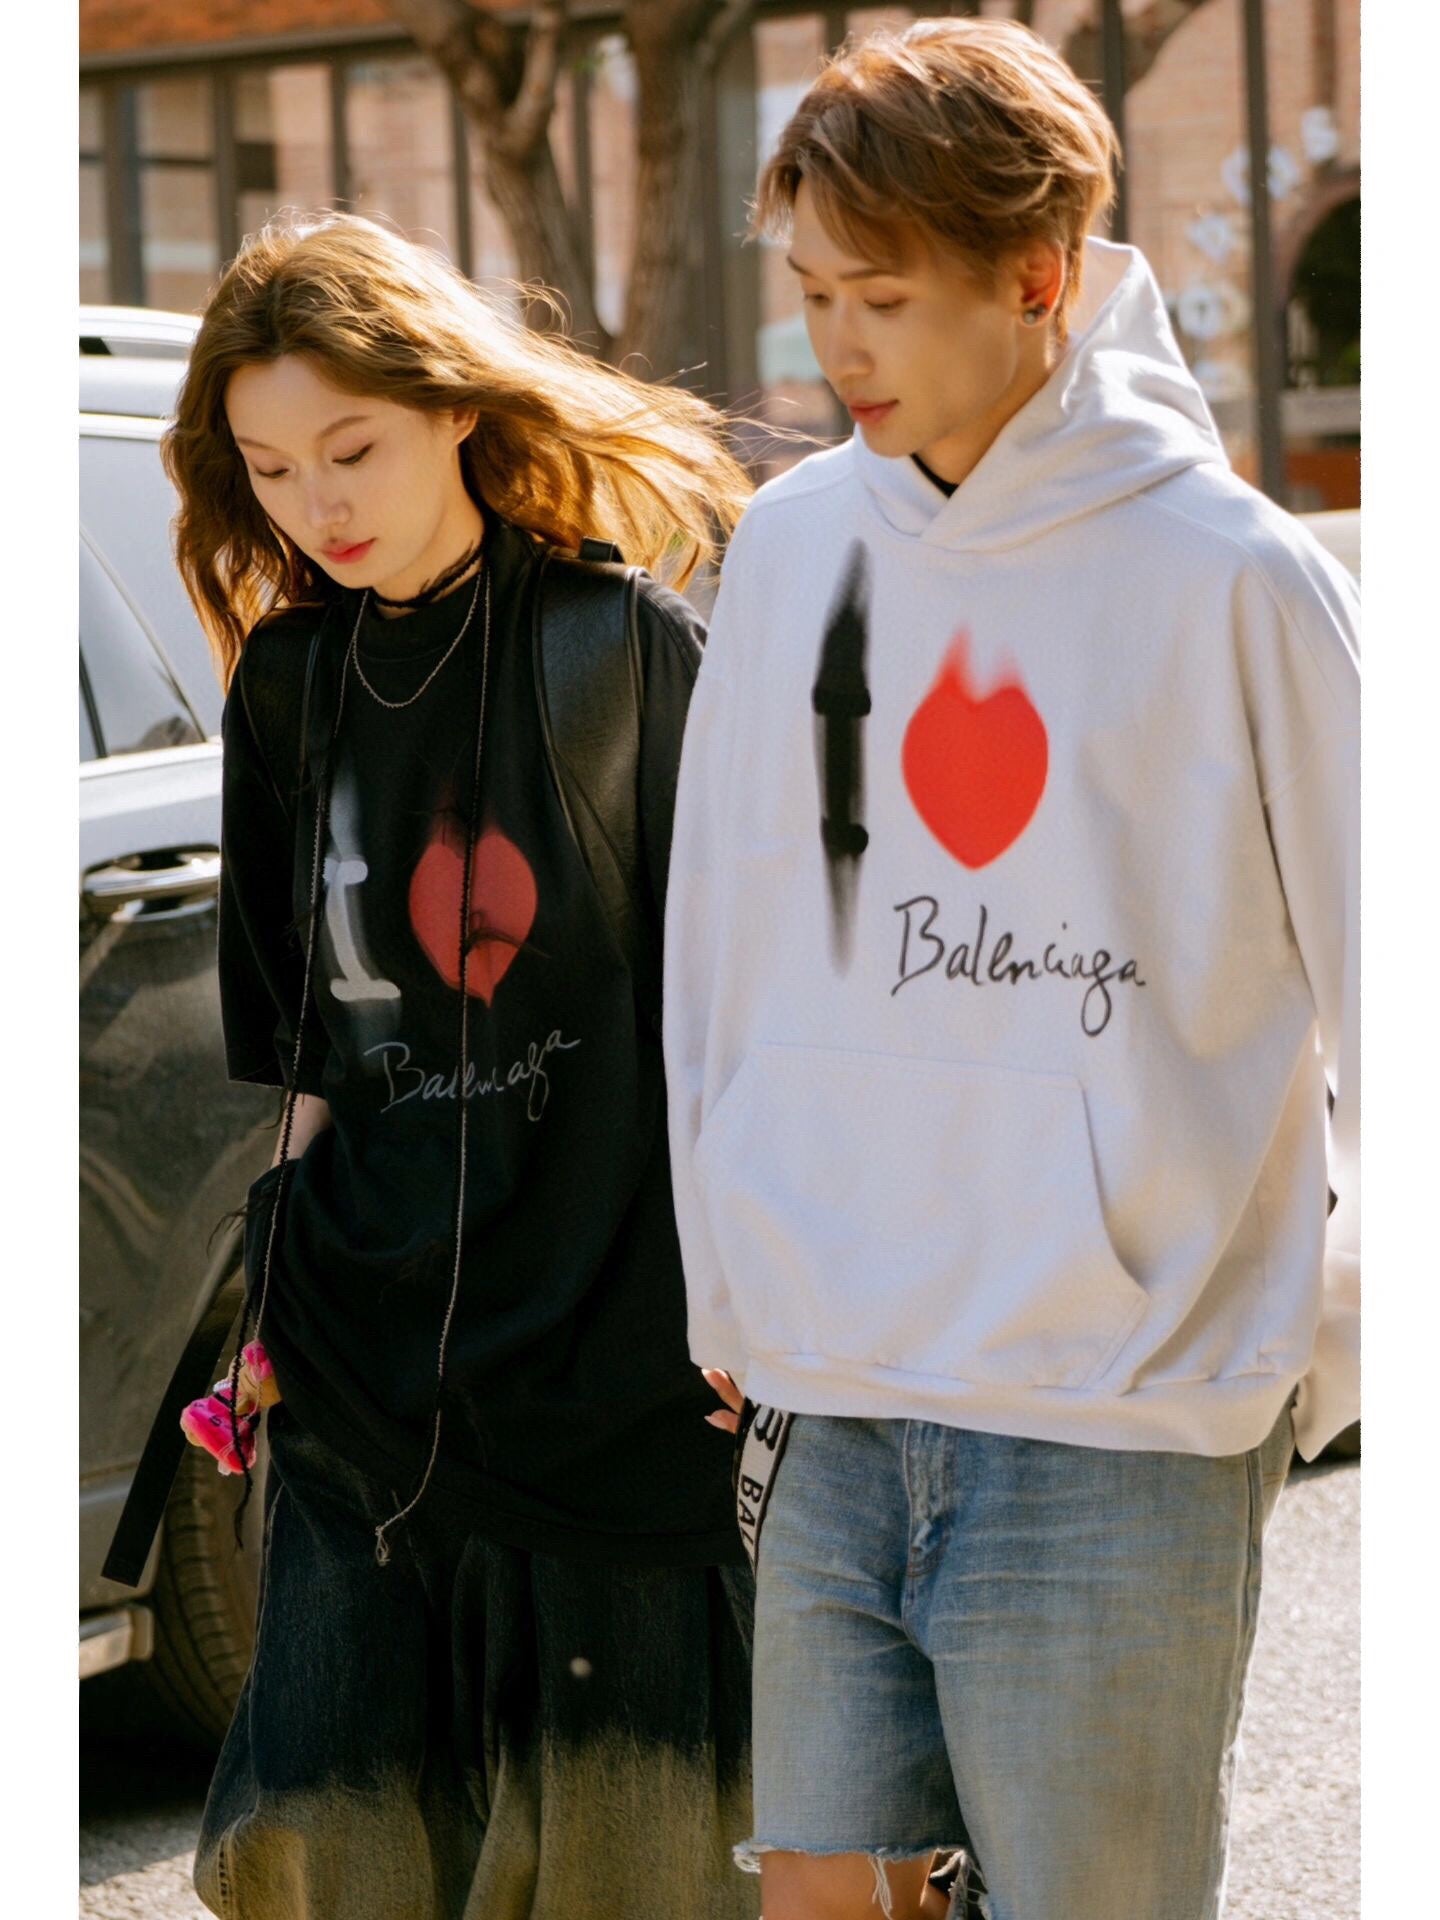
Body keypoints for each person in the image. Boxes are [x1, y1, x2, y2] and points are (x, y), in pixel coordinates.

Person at [664, 19, 1358, 1920]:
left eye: (883, 298)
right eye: (814, 294)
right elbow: (722, 937)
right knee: (825, 1901)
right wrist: (731, 1269)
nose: (839, 345)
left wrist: (1323, 1349)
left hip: (1116, 1420)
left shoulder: (1236, 577)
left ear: (1041, 276)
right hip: (833, 1386)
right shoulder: (791, 548)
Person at [162, 208, 760, 1920]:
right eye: (272, 471)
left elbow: (732, 1015)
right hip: (364, 1360)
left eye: (351, 449)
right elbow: (310, 1053)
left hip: (614, 1348)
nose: (317, 504)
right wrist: (272, 1299)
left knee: (628, 1861)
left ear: (452, 408)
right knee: (336, 1846)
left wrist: (749, 1295)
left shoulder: (618, 647)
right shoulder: (288, 685)